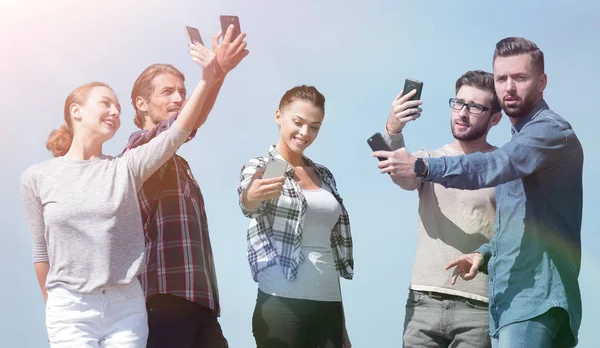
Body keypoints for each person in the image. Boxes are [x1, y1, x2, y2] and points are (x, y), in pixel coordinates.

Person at [374, 37, 583, 347]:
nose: (509, 87)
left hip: (520, 298)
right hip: (486, 300)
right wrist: (393, 129)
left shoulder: (529, 145)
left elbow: (489, 167)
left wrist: (421, 167)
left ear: (541, 83)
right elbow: (517, 228)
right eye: (502, 79)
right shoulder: (510, 155)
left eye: (520, 78)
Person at [20, 42, 218, 347]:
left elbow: (179, 131)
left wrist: (211, 77)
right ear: (77, 111)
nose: (115, 111)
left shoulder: (125, 168)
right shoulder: (37, 177)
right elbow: (41, 251)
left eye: (118, 107)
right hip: (72, 307)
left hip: (127, 305)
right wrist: (54, 307)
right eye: (105, 103)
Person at [123, 25, 248, 348]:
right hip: (163, 300)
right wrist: (214, 75)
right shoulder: (138, 149)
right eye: (167, 92)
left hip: (201, 303)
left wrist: (216, 75)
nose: (179, 97)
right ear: (141, 104)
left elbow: (188, 124)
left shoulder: (180, 164)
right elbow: (185, 127)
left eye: (182, 90)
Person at [381, 70, 502, 347]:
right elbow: (401, 173)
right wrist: (394, 129)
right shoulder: (429, 160)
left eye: (474, 107)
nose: (462, 113)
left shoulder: (502, 167)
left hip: (478, 305)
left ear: (495, 118)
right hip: (422, 300)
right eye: (458, 103)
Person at [237, 85, 353, 348]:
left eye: (314, 126)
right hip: (281, 305)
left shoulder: (324, 175)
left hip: (329, 306)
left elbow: (330, 250)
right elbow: (248, 203)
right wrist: (251, 195)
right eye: (298, 122)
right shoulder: (261, 167)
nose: (305, 133)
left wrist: (342, 327)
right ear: (279, 116)